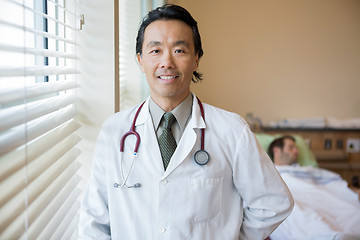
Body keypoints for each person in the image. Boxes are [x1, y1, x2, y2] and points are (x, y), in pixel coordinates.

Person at [78, 4, 293, 239]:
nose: (167, 62)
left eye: (179, 50)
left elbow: (274, 203)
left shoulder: (232, 130)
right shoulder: (114, 130)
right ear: (140, 60)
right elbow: (95, 222)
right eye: (155, 50)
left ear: (197, 59)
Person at [267, 136, 360, 240]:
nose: (296, 151)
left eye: (296, 148)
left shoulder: (306, 170)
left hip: (318, 196)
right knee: (298, 211)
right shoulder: (270, 173)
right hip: (293, 197)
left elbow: (330, 179)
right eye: (291, 147)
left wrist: (354, 190)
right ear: (276, 150)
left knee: (352, 213)